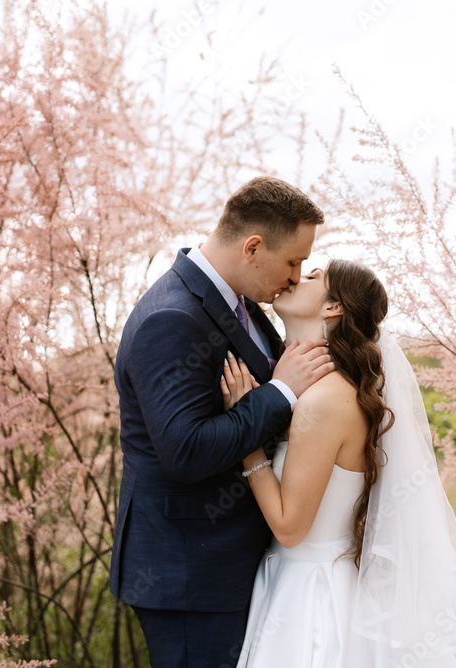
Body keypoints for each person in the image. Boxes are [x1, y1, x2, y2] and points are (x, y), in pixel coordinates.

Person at [109, 176, 335, 668]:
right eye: (292, 261)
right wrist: (280, 392)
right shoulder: (171, 319)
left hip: (233, 564)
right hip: (191, 577)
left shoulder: (242, 302)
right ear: (253, 247)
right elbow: (185, 451)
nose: (297, 277)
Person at [221, 259, 456, 667]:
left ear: (333, 307)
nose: (294, 277)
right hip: (320, 580)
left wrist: (246, 436)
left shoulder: (323, 402)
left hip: (310, 596)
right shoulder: (329, 390)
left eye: (311, 277)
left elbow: (290, 528)